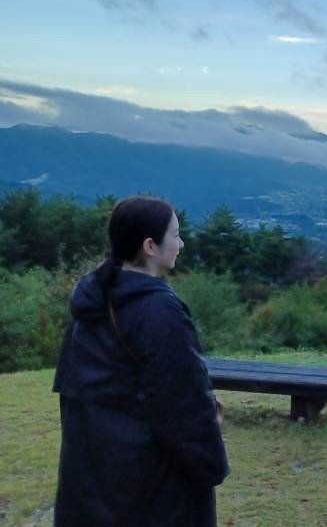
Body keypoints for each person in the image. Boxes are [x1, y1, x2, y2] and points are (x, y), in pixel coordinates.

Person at [53, 196, 229, 527]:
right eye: (175, 235)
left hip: (93, 480)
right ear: (150, 246)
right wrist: (212, 465)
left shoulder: (92, 301)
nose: (181, 243)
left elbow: (72, 392)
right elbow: (184, 404)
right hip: (152, 490)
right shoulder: (159, 311)